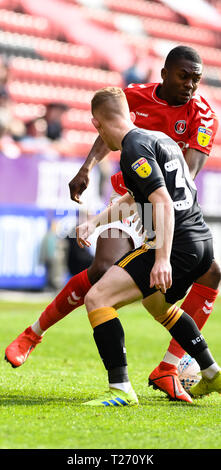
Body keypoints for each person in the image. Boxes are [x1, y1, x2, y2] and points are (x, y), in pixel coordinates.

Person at [5, 46, 220, 402]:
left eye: (197, 78)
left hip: (159, 204)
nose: (191, 85)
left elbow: (188, 174)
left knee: (200, 277)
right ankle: (33, 333)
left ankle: (161, 370)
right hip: (133, 197)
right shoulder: (132, 99)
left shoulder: (202, 114)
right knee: (107, 270)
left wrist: (158, 213)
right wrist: (87, 169)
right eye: (184, 76)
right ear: (164, 73)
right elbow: (107, 130)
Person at [77, 86, 221, 406]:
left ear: (96, 124)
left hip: (178, 244)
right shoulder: (161, 139)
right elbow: (135, 197)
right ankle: (212, 372)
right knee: (157, 306)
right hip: (202, 243)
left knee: (97, 298)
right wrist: (94, 223)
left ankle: (121, 390)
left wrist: (162, 259)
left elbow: (162, 202)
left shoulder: (132, 148)